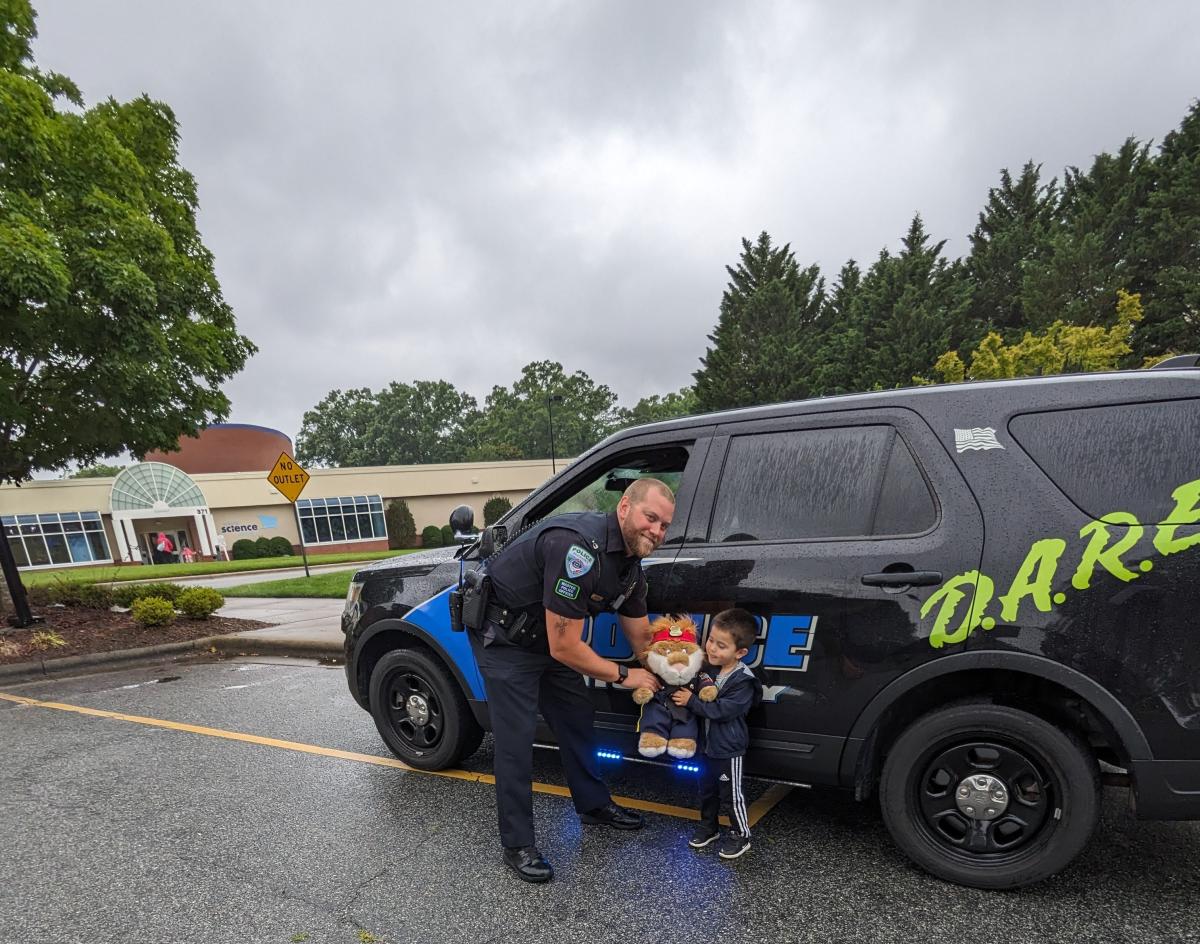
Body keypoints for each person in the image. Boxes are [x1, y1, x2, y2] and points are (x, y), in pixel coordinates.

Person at [466, 478, 673, 883]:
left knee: (577, 718)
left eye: (665, 525)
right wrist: (626, 675)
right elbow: (566, 648)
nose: (657, 531)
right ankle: (517, 843)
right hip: (506, 640)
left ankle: (593, 805)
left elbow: (641, 638)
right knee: (516, 740)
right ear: (625, 506)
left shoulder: (630, 566)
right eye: (651, 518)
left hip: (550, 640)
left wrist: (677, 669)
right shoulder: (578, 547)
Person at [673, 607, 763, 860]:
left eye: (721, 645)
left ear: (740, 652)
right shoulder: (709, 670)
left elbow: (723, 711)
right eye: (711, 640)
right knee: (707, 790)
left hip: (728, 749)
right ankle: (708, 826)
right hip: (706, 747)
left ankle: (741, 834)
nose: (712, 648)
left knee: (731, 794)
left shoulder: (743, 680)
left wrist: (691, 701)